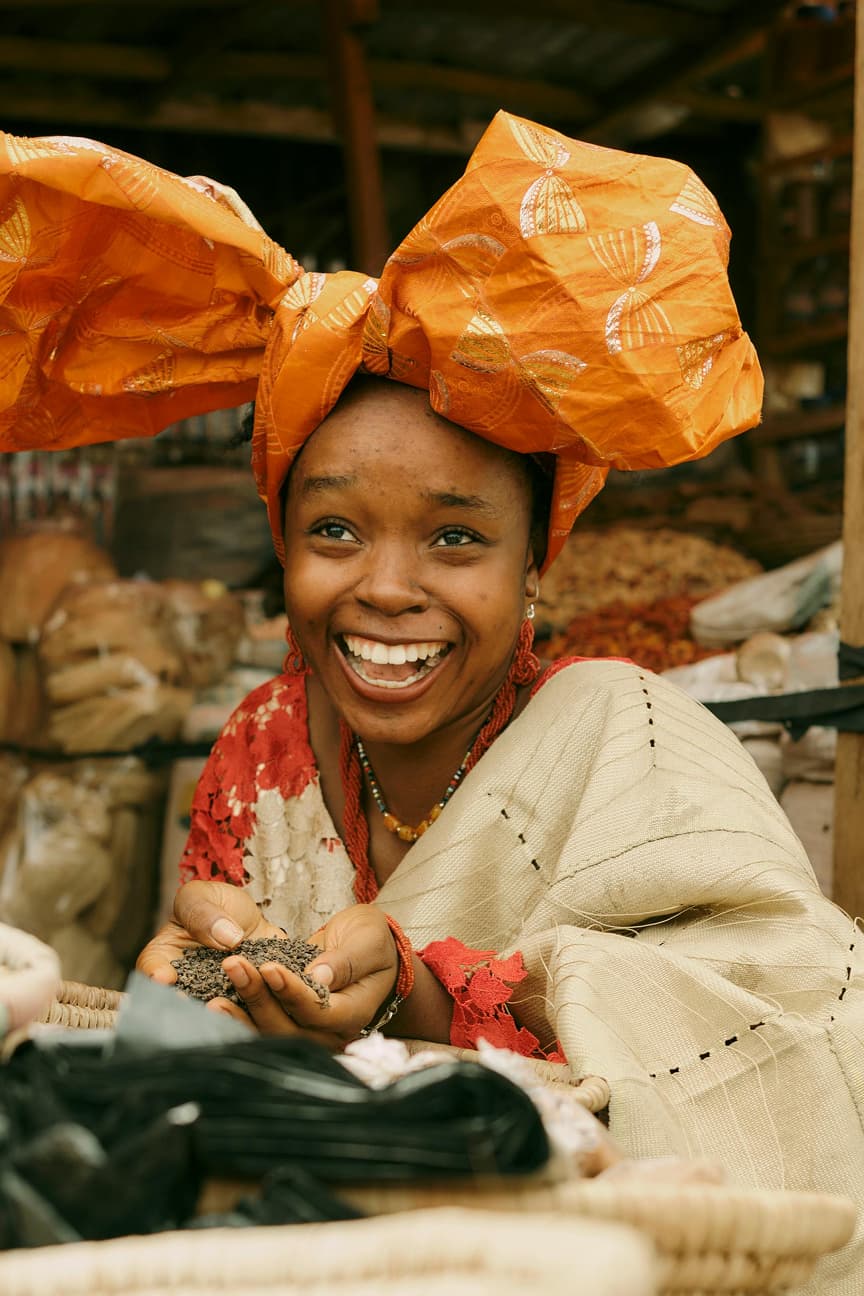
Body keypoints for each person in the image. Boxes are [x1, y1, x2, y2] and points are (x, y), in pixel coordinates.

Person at [0, 113, 862, 1293]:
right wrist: (187, 978)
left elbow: (785, 1025)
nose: (386, 589)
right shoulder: (260, 747)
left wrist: (419, 982)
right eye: (335, 531)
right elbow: (232, 991)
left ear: (534, 566)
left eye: (457, 538)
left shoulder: (626, 736)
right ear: (283, 547)